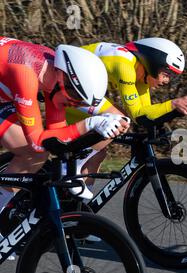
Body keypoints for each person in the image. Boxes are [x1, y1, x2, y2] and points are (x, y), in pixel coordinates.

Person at [0, 36, 130, 224]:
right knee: (35, 150)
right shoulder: (26, 74)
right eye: (75, 98)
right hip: (9, 85)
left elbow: (57, 135)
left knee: (36, 155)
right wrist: (90, 123)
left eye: (79, 102)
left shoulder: (55, 73)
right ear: (65, 82)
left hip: (4, 95)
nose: (73, 105)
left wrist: (93, 134)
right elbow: (37, 141)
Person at [64, 38, 187, 198]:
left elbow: (145, 114)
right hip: (66, 87)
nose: (167, 81)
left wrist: (171, 115)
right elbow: (137, 116)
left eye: (171, 76)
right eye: (166, 74)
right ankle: (68, 169)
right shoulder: (125, 67)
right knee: (117, 118)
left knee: (98, 154)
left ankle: (76, 207)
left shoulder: (142, 76)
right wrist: (174, 104)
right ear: (153, 63)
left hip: (80, 92)